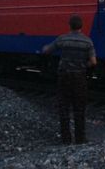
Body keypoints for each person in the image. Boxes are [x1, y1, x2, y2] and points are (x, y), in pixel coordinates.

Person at [42, 15, 97, 144]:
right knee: (79, 109)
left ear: (69, 26)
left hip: (64, 77)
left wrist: (44, 48)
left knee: (64, 107)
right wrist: (84, 65)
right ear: (81, 26)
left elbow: (47, 51)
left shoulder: (63, 39)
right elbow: (94, 62)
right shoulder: (87, 41)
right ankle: (80, 139)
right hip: (79, 77)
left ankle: (66, 139)